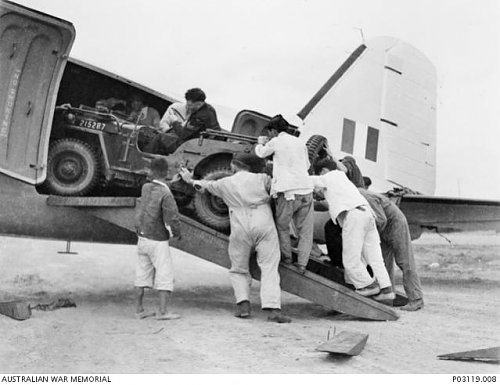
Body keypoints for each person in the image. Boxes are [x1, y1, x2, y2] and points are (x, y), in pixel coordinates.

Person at [179, 154, 291, 323]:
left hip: (239, 223)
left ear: (233, 166)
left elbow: (203, 187)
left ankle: (243, 305)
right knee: (269, 267)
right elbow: (278, 188)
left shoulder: (225, 183)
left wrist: (189, 179)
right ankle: (273, 309)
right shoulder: (262, 178)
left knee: (239, 268)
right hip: (263, 220)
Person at [310, 157, 394, 301]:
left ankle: (368, 286)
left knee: (350, 258)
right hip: (367, 215)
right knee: (374, 257)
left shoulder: (329, 176)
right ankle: (386, 289)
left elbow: (307, 180)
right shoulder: (342, 177)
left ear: (323, 171)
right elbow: (341, 170)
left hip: (354, 216)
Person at [254, 114, 314, 274]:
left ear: (273, 131)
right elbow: (306, 165)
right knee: (306, 232)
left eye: (269, 132)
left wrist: (260, 143)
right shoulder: (300, 143)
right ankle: (302, 264)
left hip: (288, 192)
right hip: (306, 190)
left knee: (282, 227)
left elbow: (260, 154)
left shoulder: (275, 141)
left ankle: (287, 259)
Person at [358, 188, 424, 311]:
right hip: (383, 228)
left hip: (394, 224)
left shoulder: (362, 195)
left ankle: (416, 299)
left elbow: (381, 218)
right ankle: (388, 298)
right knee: (383, 264)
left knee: (405, 261)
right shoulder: (356, 194)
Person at [134, 157, 181, 320]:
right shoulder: (166, 194)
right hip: (158, 240)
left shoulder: (146, 187)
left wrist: (171, 183)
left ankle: (139, 310)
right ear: (167, 172)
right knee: (165, 275)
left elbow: (157, 190)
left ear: (151, 171)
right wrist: (176, 233)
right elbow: (172, 217)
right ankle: (162, 312)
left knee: (142, 274)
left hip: (143, 238)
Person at [145, 88, 220, 155]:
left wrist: (174, 121)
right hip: (200, 140)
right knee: (169, 133)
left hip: (192, 144)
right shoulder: (209, 108)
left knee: (159, 138)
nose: (187, 106)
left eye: (190, 105)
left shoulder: (200, 116)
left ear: (199, 103)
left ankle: (144, 159)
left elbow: (183, 135)